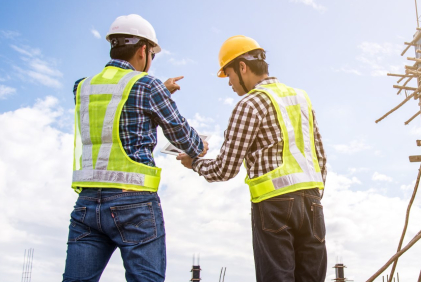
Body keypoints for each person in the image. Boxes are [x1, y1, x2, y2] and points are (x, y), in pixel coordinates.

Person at [63, 14, 208, 282]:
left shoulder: (81, 87)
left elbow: (115, 106)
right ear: (144, 51)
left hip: (87, 204)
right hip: (134, 203)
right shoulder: (148, 86)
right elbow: (184, 138)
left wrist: (158, 93)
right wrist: (201, 145)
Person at [177, 35, 328, 282]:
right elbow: (320, 156)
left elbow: (224, 169)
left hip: (273, 206)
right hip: (312, 203)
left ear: (243, 67)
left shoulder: (249, 104)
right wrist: (312, 196)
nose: (229, 83)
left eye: (228, 74)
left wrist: (194, 163)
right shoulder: (301, 98)